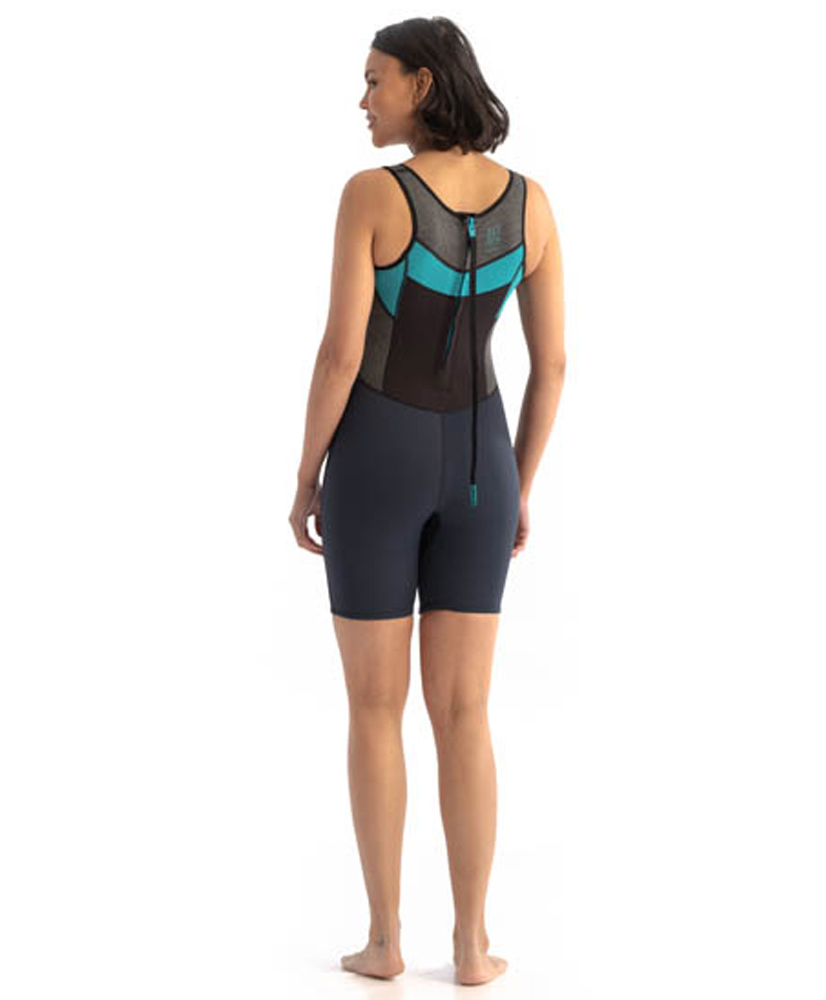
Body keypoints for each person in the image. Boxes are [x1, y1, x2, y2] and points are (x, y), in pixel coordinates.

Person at [288, 16, 566, 987]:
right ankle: (473, 946)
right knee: (466, 711)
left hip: (379, 459)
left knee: (376, 706)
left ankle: (384, 941)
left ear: (422, 82)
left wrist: (305, 475)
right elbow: (553, 365)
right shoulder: (530, 203)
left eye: (375, 79)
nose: (362, 99)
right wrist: (518, 483)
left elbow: (341, 355)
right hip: (484, 463)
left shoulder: (373, 194)